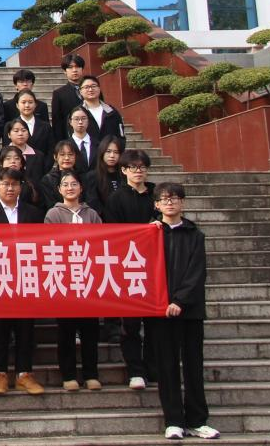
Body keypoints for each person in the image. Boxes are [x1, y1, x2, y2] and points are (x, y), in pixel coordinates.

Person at [152, 182, 218, 441]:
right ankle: (173, 421)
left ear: (183, 203)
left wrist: (180, 300)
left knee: (193, 366)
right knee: (166, 367)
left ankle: (197, 420)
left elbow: (196, 272)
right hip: (160, 310)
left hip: (190, 310)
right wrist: (162, 301)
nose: (169, 203)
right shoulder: (150, 233)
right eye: (164, 199)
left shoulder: (195, 235)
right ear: (156, 205)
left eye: (174, 198)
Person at [0, 166, 45, 396]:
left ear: (20, 187)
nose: (10, 188)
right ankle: (0, 374)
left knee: (26, 327)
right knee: (1, 328)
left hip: (26, 275)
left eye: (14, 184)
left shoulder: (33, 213)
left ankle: (25, 374)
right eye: (5, 184)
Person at [43, 170, 103, 392]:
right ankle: (68, 374)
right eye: (66, 184)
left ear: (81, 188)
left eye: (74, 184)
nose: (70, 188)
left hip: (88, 277)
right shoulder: (53, 214)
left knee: (90, 330)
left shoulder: (92, 214)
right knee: (66, 330)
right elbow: (50, 243)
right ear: (59, 189)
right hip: (64, 278)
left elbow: (101, 241)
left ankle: (91, 374)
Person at [108, 150, 158, 391]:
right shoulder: (116, 198)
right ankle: (135, 370)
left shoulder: (157, 195)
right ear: (124, 170)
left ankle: (153, 367)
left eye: (142, 167)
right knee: (130, 323)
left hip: (155, 264)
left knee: (155, 323)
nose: (138, 171)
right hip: (127, 265)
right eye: (133, 167)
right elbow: (113, 232)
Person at [0, 145, 44, 210]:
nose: (13, 161)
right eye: (8, 158)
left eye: (17, 158)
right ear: (1, 163)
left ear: (21, 164)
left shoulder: (31, 184)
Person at [85, 134, 126, 216]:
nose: (112, 156)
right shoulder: (92, 176)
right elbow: (93, 203)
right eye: (108, 151)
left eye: (116, 152)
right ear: (102, 152)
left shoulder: (125, 176)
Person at [79, 75, 126, 145]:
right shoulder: (78, 113)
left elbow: (121, 137)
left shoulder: (112, 112)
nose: (90, 89)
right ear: (80, 91)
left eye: (93, 86)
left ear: (99, 89)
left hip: (109, 151)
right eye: (86, 87)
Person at [51, 54, 87, 143]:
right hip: (70, 140)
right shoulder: (59, 94)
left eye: (77, 67)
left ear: (82, 69)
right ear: (65, 71)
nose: (74, 70)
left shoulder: (92, 90)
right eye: (70, 67)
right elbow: (57, 123)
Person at [14, 90, 55, 155]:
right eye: (23, 102)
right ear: (17, 105)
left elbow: (51, 150)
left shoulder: (45, 126)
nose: (27, 105)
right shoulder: (10, 126)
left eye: (30, 102)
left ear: (35, 104)